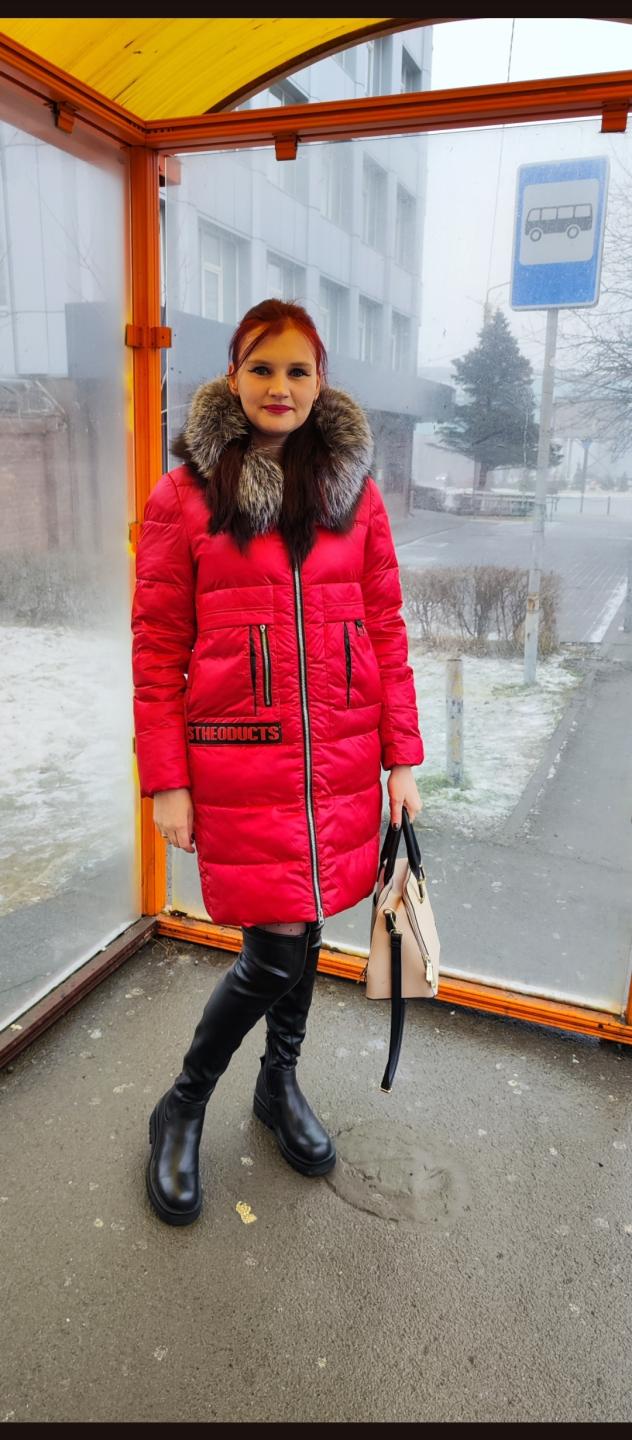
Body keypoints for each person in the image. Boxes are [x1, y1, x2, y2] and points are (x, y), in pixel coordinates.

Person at [131, 298, 424, 1226]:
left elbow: (385, 626)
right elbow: (157, 648)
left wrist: (402, 760)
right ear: (233, 375)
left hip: (340, 758)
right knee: (274, 951)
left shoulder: (354, 492)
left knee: (307, 929)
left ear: (320, 380)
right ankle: (183, 1103)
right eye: (263, 367)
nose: (281, 387)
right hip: (241, 765)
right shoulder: (185, 495)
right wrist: (166, 781)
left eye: (299, 370)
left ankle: (278, 1082)